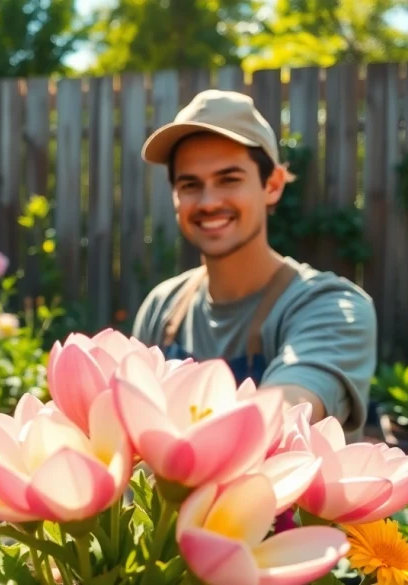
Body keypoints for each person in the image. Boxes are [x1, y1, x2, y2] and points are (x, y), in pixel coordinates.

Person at [132, 89, 376, 435]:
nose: (209, 201)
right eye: (190, 185)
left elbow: (287, 411)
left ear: (273, 185)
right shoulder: (162, 308)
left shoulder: (333, 307)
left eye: (229, 179)